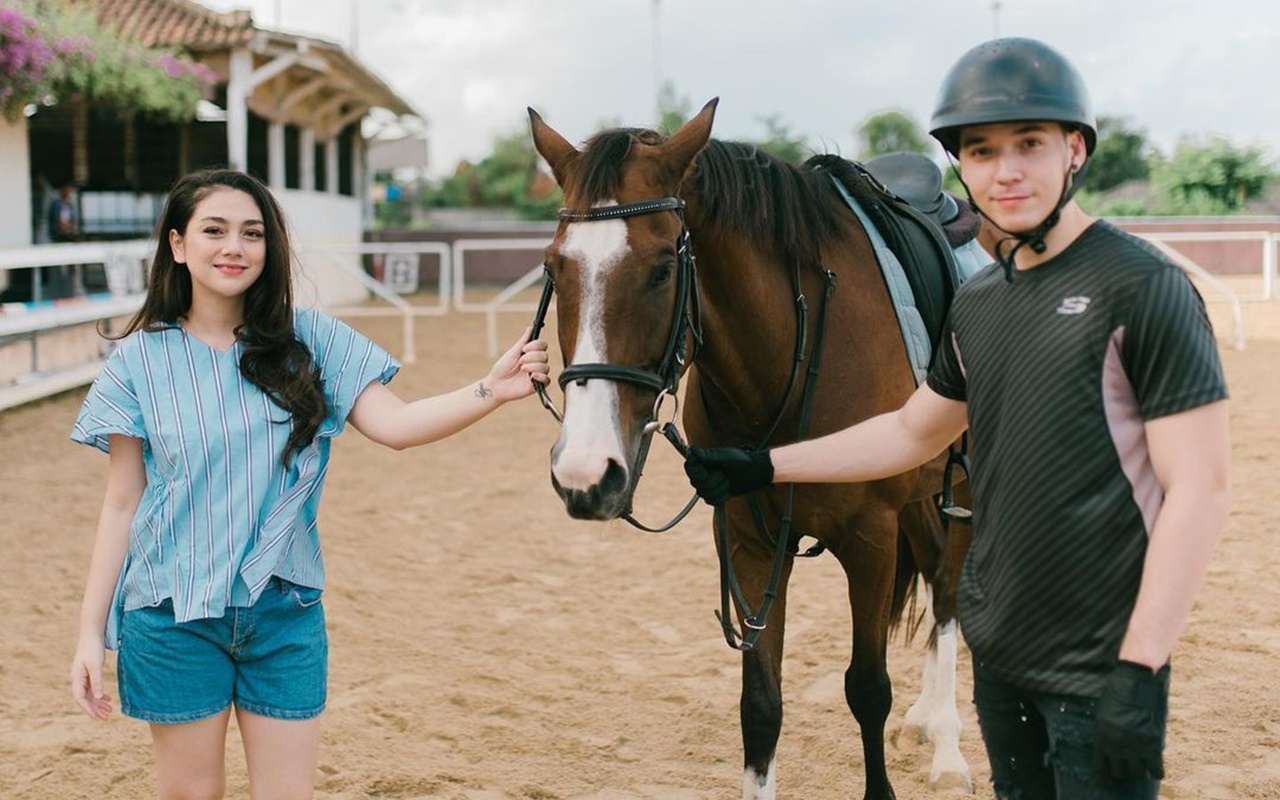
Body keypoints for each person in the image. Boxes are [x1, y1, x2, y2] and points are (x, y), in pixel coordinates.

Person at [683, 38, 1230, 800]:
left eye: (1029, 145)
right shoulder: (979, 303)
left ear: (1075, 150)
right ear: (961, 167)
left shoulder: (1146, 290)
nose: (1005, 172)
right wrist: (764, 465)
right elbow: (913, 433)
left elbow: (1200, 489)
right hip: (998, 653)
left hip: (1100, 660)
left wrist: (1141, 666)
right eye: (982, 151)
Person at [67, 169, 550, 799]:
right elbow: (122, 502)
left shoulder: (312, 339)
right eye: (214, 231)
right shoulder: (137, 360)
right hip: (172, 614)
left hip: (283, 614)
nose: (234, 247)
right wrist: (88, 634)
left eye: (252, 233)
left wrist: (492, 389)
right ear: (179, 244)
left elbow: (397, 425)